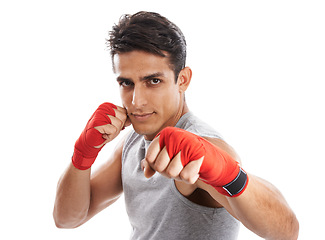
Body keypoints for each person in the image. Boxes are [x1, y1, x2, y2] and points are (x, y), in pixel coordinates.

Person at [53, 11, 299, 240]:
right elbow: (67, 218)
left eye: (153, 81)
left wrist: (228, 174)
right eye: (127, 83)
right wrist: (83, 153)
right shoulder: (134, 140)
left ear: (182, 80)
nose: (136, 101)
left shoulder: (201, 145)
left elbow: (286, 231)